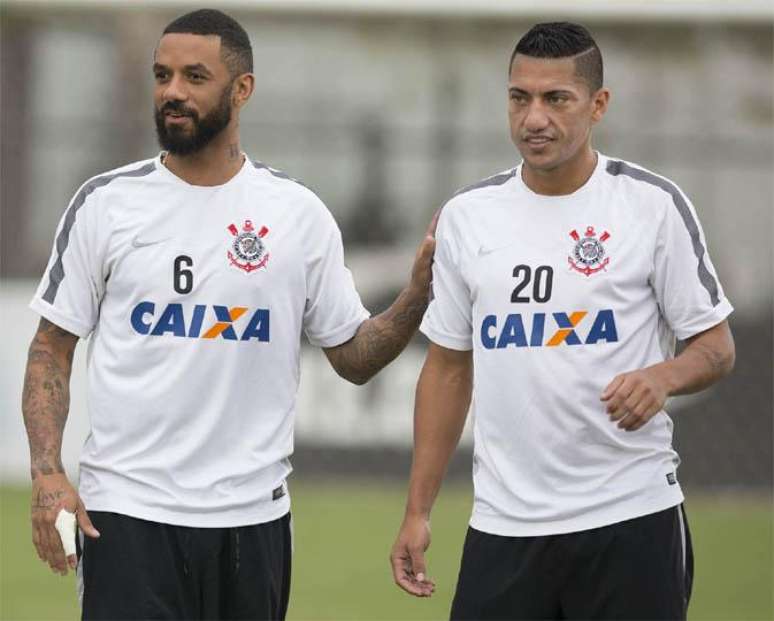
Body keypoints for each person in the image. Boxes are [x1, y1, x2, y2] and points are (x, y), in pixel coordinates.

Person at [22, 9, 435, 620]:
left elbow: (353, 357)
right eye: (162, 75)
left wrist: (417, 294)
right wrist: (47, 472)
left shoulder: (297, 214)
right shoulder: (107, 204)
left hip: (252, 523)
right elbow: (50, 348)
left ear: (242, 89)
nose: (172, 92)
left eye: (195, 76)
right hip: (128, 517)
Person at [390, 22, 735, 620]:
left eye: (556, 99)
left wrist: (663, 377)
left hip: (630, 517)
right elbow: (447, 369)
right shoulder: (469, 217)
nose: (534, 118)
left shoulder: (651, 207)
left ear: (597, 105)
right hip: (504, 526)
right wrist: (418, 510)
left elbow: (716, 346)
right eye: (519, 97)